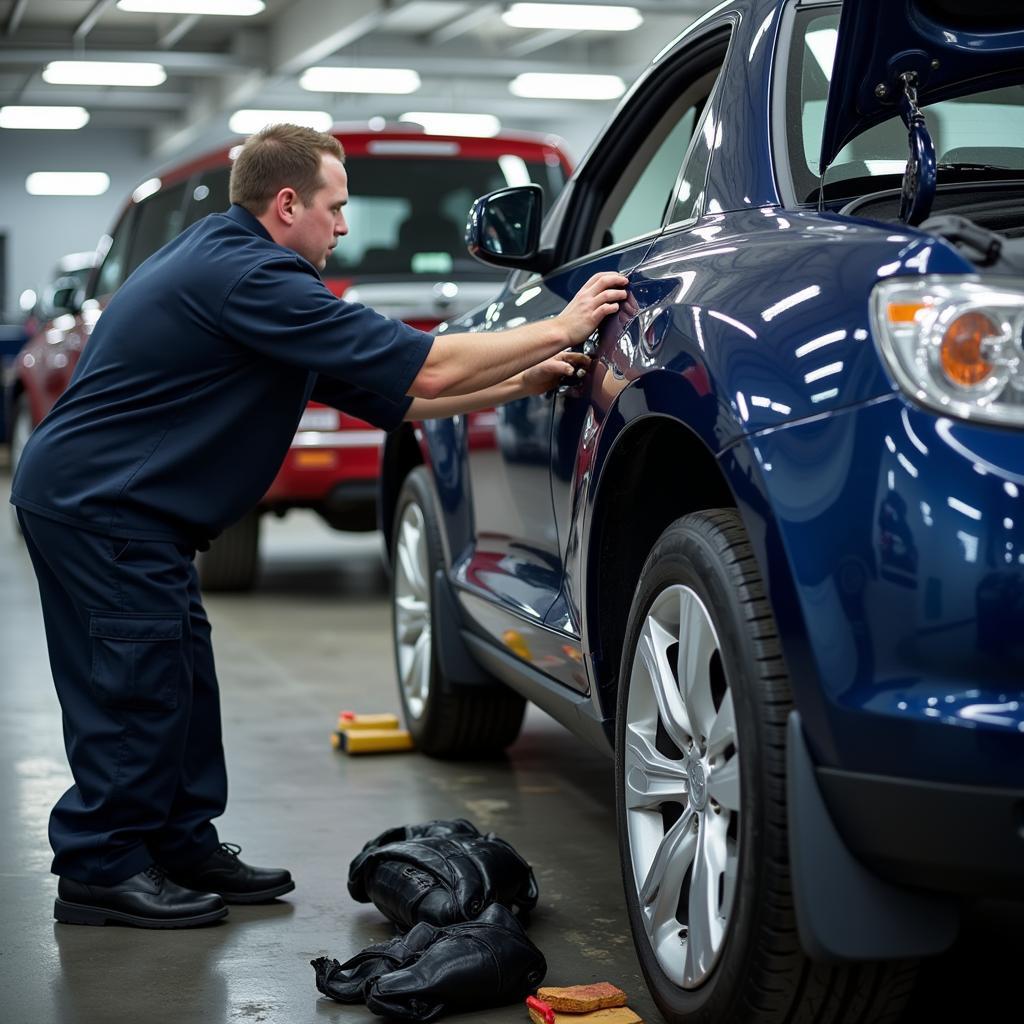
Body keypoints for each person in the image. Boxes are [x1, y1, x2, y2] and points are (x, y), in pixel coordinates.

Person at [9, 123, 628, 929]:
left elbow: (407, 400)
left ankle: (178, 841)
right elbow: (430, 363)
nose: (343, 225)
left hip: (132, 513)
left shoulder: (255, 276)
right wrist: (563, 323)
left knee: (180, 681)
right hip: (101, 509)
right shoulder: (246, 276)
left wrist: (524, 379)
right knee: (134, 688)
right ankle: (102, 868)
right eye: (336, 208)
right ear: (288, 202)